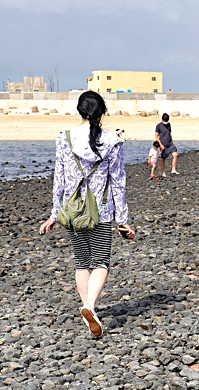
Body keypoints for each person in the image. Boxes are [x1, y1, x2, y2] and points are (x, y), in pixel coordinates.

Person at [38, 90, 134, 338]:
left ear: (80, 111)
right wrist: (122, 220)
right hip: (101, 210)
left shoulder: (64, 137)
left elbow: (58, 179)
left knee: (82, 262)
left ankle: (88, 310)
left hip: (72, 209)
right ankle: (89, 306)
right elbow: (118, 183)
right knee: (100, 262)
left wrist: (54, 213)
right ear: (102, 112)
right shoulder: (112, 141)